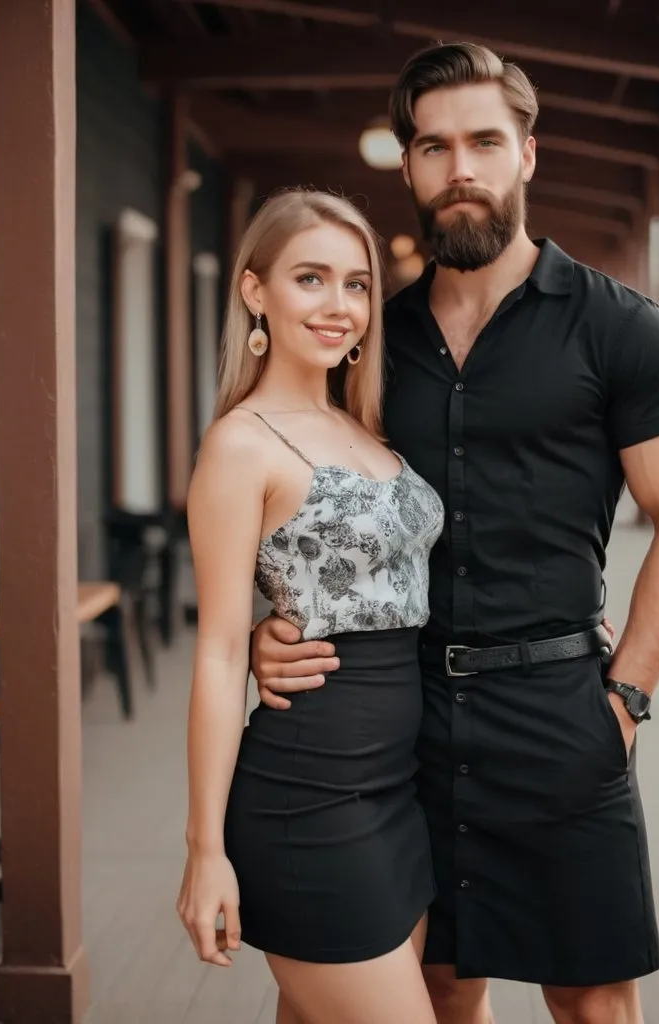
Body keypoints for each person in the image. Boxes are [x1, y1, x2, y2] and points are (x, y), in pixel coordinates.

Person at [249, 42, 659, 1024]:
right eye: (433, 145)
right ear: (410, 166)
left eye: (483, 141)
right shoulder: (371, 339)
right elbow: (306, 491)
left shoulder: (621, 329)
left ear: (527, 155)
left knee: (593, 1001)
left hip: (560, 713)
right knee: (440, 987)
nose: (458, 165)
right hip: (397, 717)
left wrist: (624, 699)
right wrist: (278, 620)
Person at [175, 187, 446, 1024]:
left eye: (357, 284)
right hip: (309, 799)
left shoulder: (369, 430)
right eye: (311, 279)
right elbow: (221, 655)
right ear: (256, 291)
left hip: (401, 792)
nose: (340, 306)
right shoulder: (240, 444)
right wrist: (204, 850)